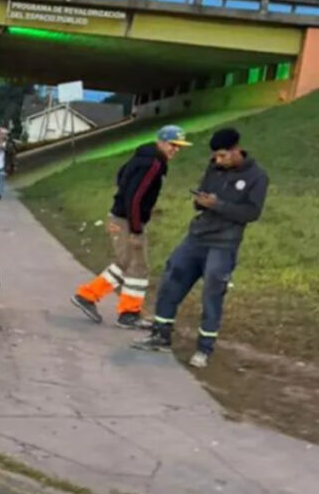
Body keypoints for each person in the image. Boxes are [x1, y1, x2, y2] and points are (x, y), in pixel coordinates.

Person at [133, 128, 268, 368]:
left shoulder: (257, 176)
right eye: (216, 156)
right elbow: (204, 192)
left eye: (223, 156)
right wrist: (200, 201)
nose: (218, 160)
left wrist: (217, 205)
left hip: (223, 244)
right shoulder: (214, 167)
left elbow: (251, 213)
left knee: (212, 293)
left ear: (237, 151)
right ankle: (160, 334)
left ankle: (204, 348)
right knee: (172, 278)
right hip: (196, 237)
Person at [71, 125, 191, 328]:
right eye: (173, 145)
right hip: (127, 220)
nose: (176, 150)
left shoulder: (144, 156)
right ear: (161, 141)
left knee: (125, 262)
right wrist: (136, 229)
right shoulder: (154, 163)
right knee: (138, 267)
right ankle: (128, 313)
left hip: (120, 216)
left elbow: (121, 175)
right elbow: (135, 197)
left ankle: (88, 295)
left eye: (179, 146)